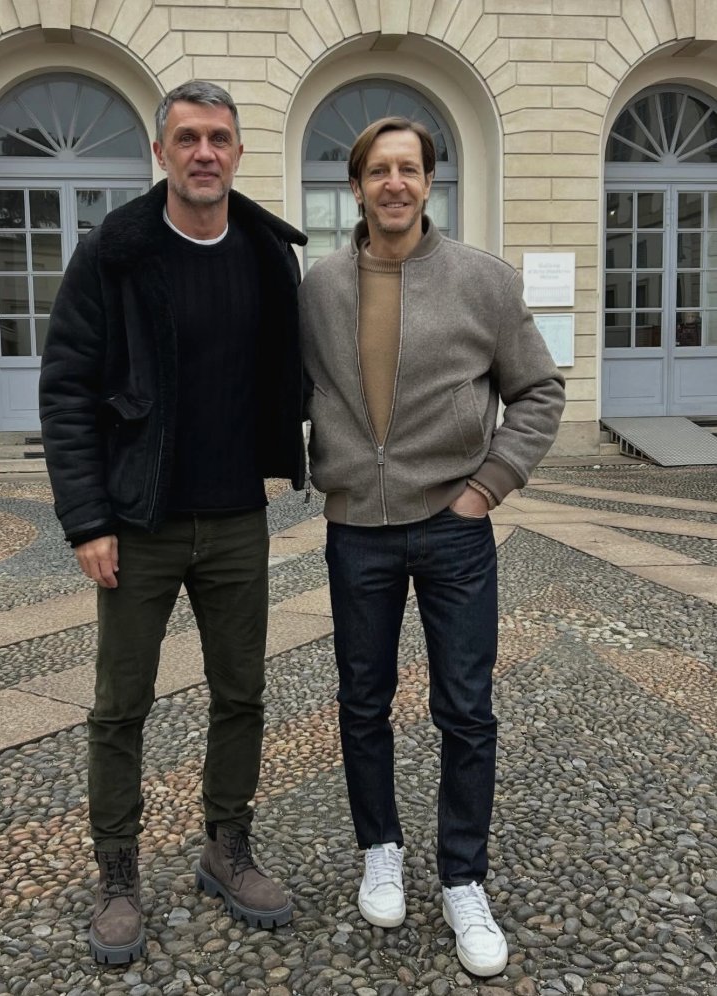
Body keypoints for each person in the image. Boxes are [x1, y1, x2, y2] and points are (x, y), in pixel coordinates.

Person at [39, 80, 307, 965]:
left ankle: (226, 848)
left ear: (237, 152)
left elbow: (293, 371)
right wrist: (87, 519)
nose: (204, 153)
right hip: (139, 520)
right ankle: (118, 873)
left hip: (236, 517)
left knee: (243, 696)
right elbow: (68, 390)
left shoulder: (270, 254)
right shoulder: (114, 253)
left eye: (219, 138)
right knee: (121, 707)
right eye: (187, 137)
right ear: (161, 152)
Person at [299, 117, 565, 978]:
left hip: (454, 530)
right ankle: (380, 846)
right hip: (357, 532)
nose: (394, 183)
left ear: (428, 182)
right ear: (357, 186)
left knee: (466, 709)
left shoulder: (482, 282)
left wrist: (486, 486)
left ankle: (462, 878)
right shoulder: (320, 287)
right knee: (362, 701)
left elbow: (539, 392)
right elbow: (286, 388)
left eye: (408, 168)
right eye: (377, 170)